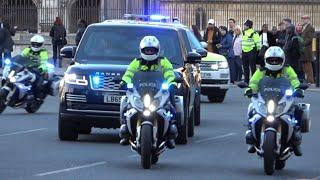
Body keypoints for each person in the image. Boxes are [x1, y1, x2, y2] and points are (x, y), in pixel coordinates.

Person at [119, 36, 178, 149]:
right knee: (125, 103)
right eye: (147, 50)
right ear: (142, 50)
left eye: (152, 50)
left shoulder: (164, 62)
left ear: (157, 50)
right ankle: (125, 131)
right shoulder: (136, 62)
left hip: (157, 92)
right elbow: (128, 74)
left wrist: (172, 83)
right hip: (140, 92)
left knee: (171, 103)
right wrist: (124, 82)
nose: (149, 52)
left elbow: (170, 74)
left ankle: (171, 131)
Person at [244, 46, 304, 156]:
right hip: (266, 98)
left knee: (298, 109)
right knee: (252, 108)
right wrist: (249, 90)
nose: (274, 62)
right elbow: (253, 82)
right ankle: (251, 137)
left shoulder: (287, 69)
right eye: (272, 60)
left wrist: (298, 89)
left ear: (282, 60)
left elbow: (294, 80)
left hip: (283, 99)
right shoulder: (261, 71)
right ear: (266, 60)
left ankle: (296, 140)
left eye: (277, 60)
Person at [21, 35, 49, 100]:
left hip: (38, 71)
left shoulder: (43, 52)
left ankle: (37, 98)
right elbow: (21, 56)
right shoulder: (27, 50)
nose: (35, 46)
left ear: (41, 44)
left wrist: (40, 69)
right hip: (27, 69)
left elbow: (44, 63)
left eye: (38, 44)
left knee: (37, 86)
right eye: (34, 44)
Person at [300, 15, 315, 84]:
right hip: (304, 49)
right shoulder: (304, 27)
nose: (302, 20)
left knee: (308, 65)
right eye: (302, 19)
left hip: (307, 49)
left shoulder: (310, 27)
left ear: (308, 19)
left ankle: (310, 80)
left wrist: (302, 43)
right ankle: (307, 79)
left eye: (304, 19)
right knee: (304, 65)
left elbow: (309, 39)